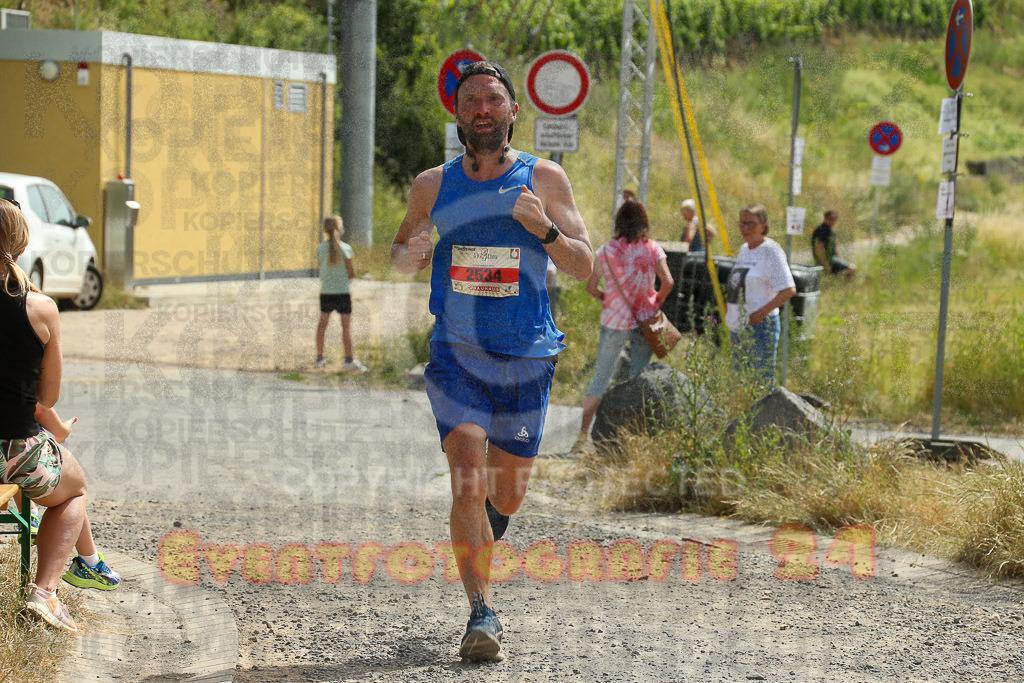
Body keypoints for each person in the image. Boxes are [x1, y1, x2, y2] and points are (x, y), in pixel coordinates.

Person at [391, 61, 592, 662]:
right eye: (471, 100)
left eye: (493, 100)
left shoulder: (544, 178)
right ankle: (481, 613)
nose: (482, 109)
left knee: (504, 496)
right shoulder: (432, 185)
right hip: (456, 355)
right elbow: (400, 251)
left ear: (511, 112)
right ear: (457, 114)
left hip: (527, 357)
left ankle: (485, 528)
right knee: (467, 472)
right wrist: (411, 254)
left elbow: (585, 265)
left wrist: (545, 231)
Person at [1, 198, 121, 633]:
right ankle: (45, 593)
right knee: (75, 488)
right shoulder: (40, 308)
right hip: (17, 450)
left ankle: (85, 564)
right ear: (22, 245)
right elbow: (47, 395)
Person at [576, 197, 673, 448]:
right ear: (644, 222)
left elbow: (591, 287)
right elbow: (668, 281)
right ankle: (633, 440)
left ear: (619, 222)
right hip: (644, 321)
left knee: (600, 379)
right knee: (638, 380)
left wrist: (607, 298)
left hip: (614, 320)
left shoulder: (606, 251)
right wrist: (655, 301)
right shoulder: (653, 249)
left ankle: (582, 437)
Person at [726, 204, 796, 387]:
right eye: (742, 223)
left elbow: (788, 290)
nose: (745, 228)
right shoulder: (744, 249)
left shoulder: (771, 251)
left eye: (751, 224)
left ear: (763, 226)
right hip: (739, 324)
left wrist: (761, 313)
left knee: (760, 384)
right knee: (741, 382)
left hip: (761, 326)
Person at [314, 215, 366, 372]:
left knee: (322, 325)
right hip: (343, 292)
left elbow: (321, 267)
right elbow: (351, 272)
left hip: (326, 292)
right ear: (340, 229)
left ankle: (320, 358)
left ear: (325, 229)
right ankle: (349, 360)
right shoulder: (346, 249)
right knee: (346, 327)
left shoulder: (320, 249)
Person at [811, 210, 856, 278]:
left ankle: (843, 282)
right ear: (825, 218)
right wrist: (824, 264)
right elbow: (819, 248)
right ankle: (845, 282)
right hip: (828, 260)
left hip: (833, 259)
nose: (833, 221)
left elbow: (834, 248)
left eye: (835, 218)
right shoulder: (822, 230)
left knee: (847, 270)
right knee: (852, 268)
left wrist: (840, 259)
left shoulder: (830, 231)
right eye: (831, 218)